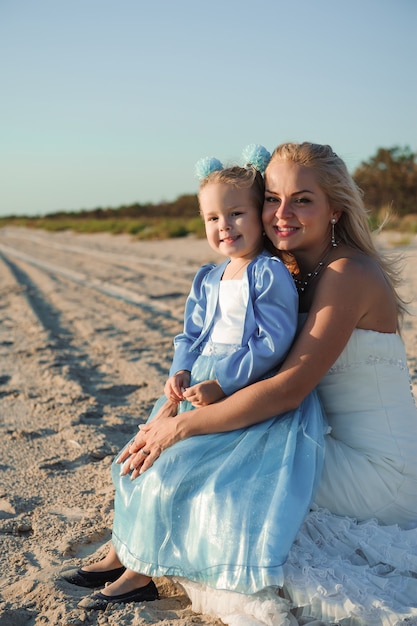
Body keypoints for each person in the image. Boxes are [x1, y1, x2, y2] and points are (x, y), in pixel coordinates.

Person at [119, 141, 417, 626]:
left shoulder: (348, 273)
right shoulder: (290, 269)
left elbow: (287, 388)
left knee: (210, 472)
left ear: (335, 209)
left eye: (302, 199)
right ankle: (128, 551)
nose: (282, 212)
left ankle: (134, 556)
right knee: (197, 449)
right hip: (317, 436)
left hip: (376, 467)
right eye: (272, 198)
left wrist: (182, 429)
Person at [61, 145, 327, 617]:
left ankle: (141, 575)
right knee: (135, 461)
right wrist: (178, 372)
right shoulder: (209, 277)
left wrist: (224, 385)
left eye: (236, 213)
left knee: (171, 470)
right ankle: (121, 553)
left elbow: (272, 343)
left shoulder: (269, 275)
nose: (223, 227)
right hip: (195, 387)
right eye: (211, 218)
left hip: (241, 395)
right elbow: (192, 333)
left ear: (260, 215)